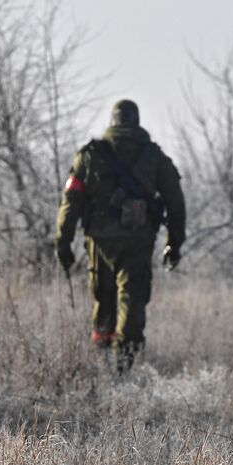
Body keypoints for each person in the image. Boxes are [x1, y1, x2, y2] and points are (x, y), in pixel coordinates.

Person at [55, 99, 186, 370]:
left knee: (103, 296)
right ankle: (125, 363)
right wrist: (174, 243)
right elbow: (175, 202)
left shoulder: (89, 154)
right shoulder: (154, 156)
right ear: (136, 122)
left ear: (113, 121)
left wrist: (63, 241)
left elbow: (71, 201)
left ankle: (101, 356)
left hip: (100, 241)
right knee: (132, 298)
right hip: (138, 239)